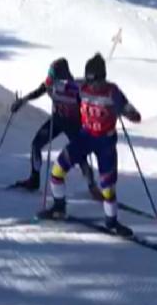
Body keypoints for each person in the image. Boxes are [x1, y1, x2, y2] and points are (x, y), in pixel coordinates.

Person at [39, 54, 142, 237]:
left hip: (105, 142)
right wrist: (51, 80)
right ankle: (59, 207)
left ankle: (112, 222)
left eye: (95, 82)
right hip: (85, 137)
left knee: (108, 187)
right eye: (89, 81)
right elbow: (54, 84)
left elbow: (136, 116)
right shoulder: (81, 86)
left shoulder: (112, 92)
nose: (92, 87)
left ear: (103, 78)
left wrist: (125, 111)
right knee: (57, 170)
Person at [10, 59, 100, 198]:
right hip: (57, 120)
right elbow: (39, 91)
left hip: (73, 123)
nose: (50, 77)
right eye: (50, 73)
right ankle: (34, 179)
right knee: (36, 145)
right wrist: (22, 101)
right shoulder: (50, 83)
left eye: (53, 73)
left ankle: (92, 186)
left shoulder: (77, 86)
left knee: (80, 155)